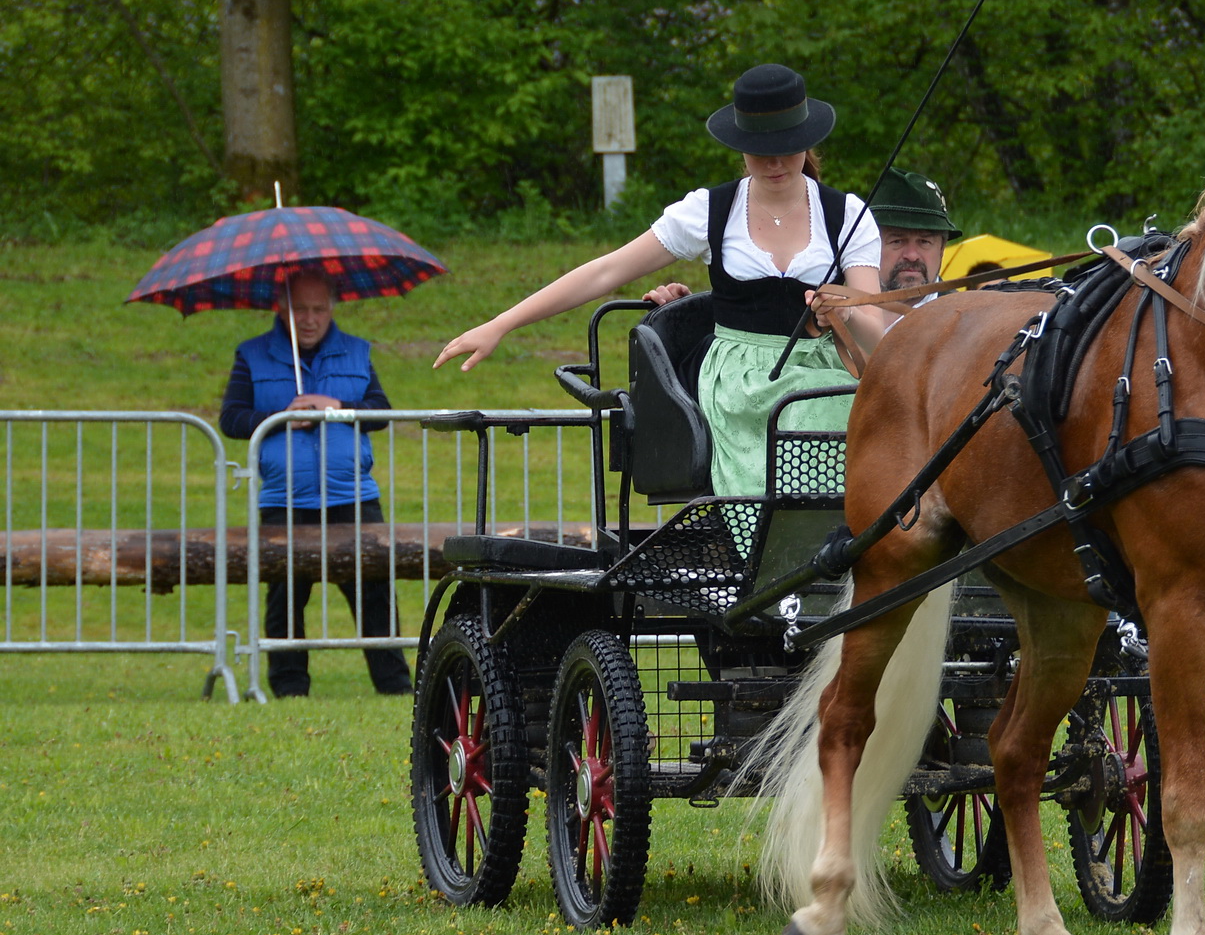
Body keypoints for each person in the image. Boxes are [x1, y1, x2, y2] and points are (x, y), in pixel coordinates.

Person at [436, 63, 887, 496]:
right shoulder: (708, 211)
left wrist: (845, 307)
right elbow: (606, 270)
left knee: (835, 410)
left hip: (825, 372)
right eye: (760, 150)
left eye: (787, 148)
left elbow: (875, 326)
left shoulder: (847, 216)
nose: (774, 163)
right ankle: (781, 546)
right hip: (738, 384)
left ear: (808, 142)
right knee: (796, 420)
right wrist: (501, 324)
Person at [219, 270, 413, 698]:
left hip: (353, 495)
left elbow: (380, 412)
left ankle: (395, 685)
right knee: (285, 594)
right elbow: (231, 419)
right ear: (280, 308)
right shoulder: (251, 355)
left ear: (332, 308)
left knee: (374, 592)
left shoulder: (358, 353)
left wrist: (336, 407)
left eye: (318, 309)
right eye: (299, 310)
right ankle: (289, 687)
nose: (309, 319)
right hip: (283, 498)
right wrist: (279, 418)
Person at [870, 167, 961, 295]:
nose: (912, 256)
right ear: (870, 247)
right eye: (897, 241)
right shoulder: (841, 311)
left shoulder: (969, 313)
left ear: (941, 248)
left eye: (924, 242)